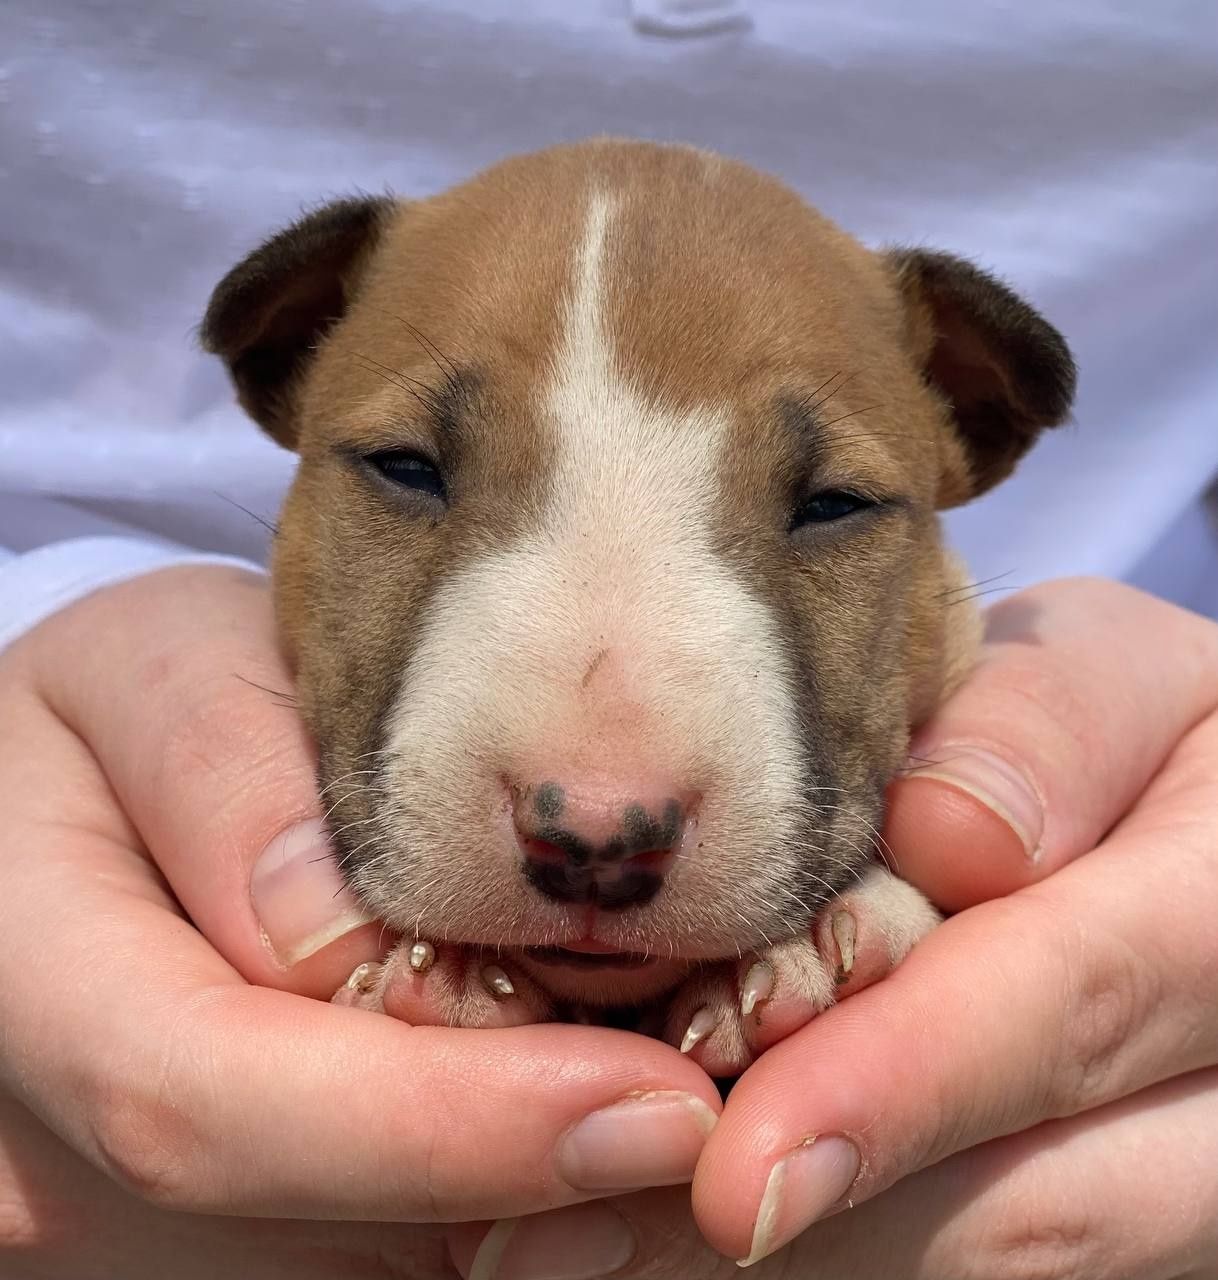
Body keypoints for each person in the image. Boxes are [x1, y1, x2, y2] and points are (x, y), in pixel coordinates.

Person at [2, 2, 1215, 1277]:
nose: (597, 817)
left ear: (976, 417)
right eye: (411, 469)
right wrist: (31, 610)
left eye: (829, 504)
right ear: (282, 358)